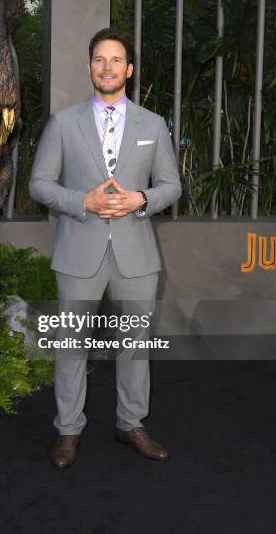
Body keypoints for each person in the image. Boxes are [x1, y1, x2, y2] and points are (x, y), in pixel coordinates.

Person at [29, 28, 181, 468]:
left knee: (134, 346)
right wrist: (83, 201)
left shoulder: (153, 124)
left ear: (128, 70)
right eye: (100, 59)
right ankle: (68, 430)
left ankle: (130, 424)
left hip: (136, 255)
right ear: (89, 67)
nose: (108, 67)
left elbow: (171, 185)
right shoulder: (62, 123)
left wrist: (143, 199)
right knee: (72, 345)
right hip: (79, 252)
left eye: (116, 60)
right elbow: (39, 184)